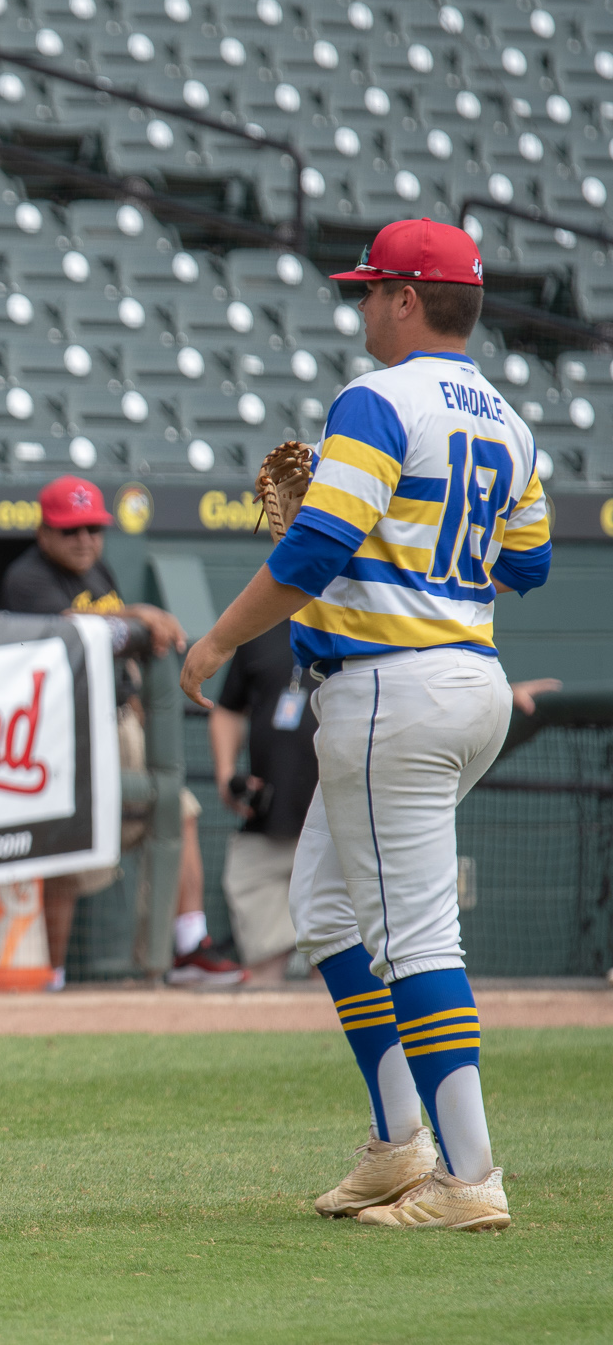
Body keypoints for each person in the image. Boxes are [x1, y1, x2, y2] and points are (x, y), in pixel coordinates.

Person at [182, 218, 549, 1231]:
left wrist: (212, 646)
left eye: (367, 292)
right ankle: (398, 1145)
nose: (358, 308)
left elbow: (310, 555)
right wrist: (412, 532)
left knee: (412, 934)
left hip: (393, 686)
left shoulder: (377, 399)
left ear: (404, 299)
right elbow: (525, 567)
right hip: (463, 677)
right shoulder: (510, 423)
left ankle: (467, 1177)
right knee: (325, 909)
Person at [0, 476, 241, 988]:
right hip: (65, 735)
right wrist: (139, 613)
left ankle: (186, 946)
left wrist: (140, 707)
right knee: (68, 860)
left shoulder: (98, 571)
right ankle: (53, 974)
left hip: (119, 721)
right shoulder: (27, 577)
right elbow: (70, 628)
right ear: (44, 533)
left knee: (180, 814)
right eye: (71, 530)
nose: (85, 539)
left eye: (93, 528)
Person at [208, 627, 316, 981]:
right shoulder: (261, 624)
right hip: (265, 823)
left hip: (339, 829)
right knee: (262, 968)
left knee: (341, 966)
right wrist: (226, 776)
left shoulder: (363, 617)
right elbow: (227, 708)